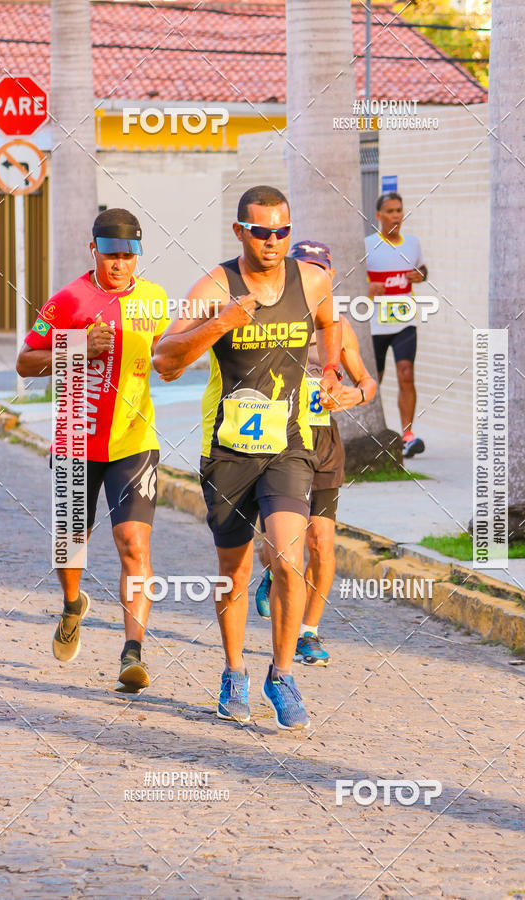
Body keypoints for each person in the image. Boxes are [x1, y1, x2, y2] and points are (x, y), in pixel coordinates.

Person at [153, 185, 341, 730]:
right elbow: (165, 359)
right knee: (234, 572)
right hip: (230, 448)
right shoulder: (215, 286)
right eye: (261, 232)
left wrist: (329, 373)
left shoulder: (312, 280)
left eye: (283, 231)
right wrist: (220, 323)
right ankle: (233, 672)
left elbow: (332, 326)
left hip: (289, 443)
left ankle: (280, 675)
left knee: (287, 560)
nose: (274, 242)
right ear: (240, 232)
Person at [16, 208, 169, 693]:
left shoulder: (155, 300)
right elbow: (25, 361)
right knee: (70, 542)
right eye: (111, 255)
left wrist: (175, 364)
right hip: (75, 440)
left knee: (134, 545)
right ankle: (72, 603)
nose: (121, 264)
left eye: (129, 256)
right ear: (93, 251)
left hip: (134, 442)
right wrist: (77, 345)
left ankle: (133, 652)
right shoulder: (67, 301)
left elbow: (168, 354)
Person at [255, 240, 377, 667]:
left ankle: (309, 632)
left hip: (322, 441)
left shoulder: (339, 328)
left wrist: (352, 395)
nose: (312, 279)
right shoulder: (267, 320)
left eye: (319, 272)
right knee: (279, 545)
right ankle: (273, 571)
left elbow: (367, 383)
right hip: (273, 441)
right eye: (305, 269)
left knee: (322, 544)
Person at [365, 192, 428, 458]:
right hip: (374, 324)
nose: (395, 216)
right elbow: (349, 279)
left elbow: (423, 269)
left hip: (404, 321)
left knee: (406, 372)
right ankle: (370, 431)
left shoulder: (412, 244)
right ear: (379, 215)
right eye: (390, 211)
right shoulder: (367, 245)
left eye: (399, 210)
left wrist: (421, 275)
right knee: (374, 379)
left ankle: (408, 435)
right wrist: (367, 287)